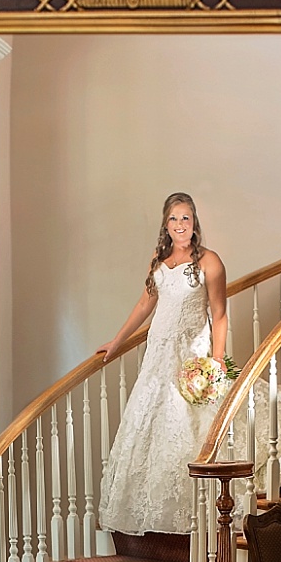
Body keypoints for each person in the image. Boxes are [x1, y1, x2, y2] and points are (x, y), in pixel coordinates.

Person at [96, 192, 228, 538]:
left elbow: (220, 315)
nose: (180, 225)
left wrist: (216, 361)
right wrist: (118, 341)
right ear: (165, 225)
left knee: (187, 424)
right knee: (149, 424)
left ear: (194, 223)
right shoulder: (159, 261)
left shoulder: (209, 262)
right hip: (158, 353)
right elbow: (144, 306)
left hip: (191, 353)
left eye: (186, 218)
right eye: (174, 219)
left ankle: (196, 509)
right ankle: (155, 509)